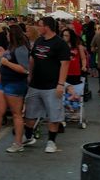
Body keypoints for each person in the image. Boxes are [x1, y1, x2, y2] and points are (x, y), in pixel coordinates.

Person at [23, 16, 70, 154]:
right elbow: (32, 58)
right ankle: (28, 136)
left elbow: (65, 64)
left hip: (52, 86)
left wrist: (61, 84)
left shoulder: (60, 43)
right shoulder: (39, 40)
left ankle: (51, 142)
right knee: (30, 114)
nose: (38, 27)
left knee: (53, 115)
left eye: (40, 25)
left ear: (47, 27)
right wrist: (30, 75)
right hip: (35, 84)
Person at [0, 24, 30, 153]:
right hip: (4, 82)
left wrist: (7, 63)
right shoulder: (12, 48)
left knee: (16, 114)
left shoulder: (21, 49)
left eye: (8, 34)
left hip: (15, 83)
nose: (7, 36)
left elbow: (25, 69)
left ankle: (18, 143)